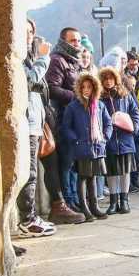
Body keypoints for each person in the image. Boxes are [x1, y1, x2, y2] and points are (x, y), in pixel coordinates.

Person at [58, 72, 113, 222]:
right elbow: (66, 127)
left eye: (89, 87)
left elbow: (108, 123)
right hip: (81, 147)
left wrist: (105, 137)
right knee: (82, 177)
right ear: (79, 89)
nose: (86, 90)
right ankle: (85, 208)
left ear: (95, 88)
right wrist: (75, 140)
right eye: (83, 87)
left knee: (93, 177)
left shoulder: (99, 105)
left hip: (97, 147)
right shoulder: (73, 106)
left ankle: (94, 207)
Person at [19, 20, 56, 236]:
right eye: (24, 31)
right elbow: (30, 80)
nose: (29, 36)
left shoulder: (28, 57)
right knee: (29, 173)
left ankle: (30, 216)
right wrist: (44, 58)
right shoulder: (22, 60)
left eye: (31, 31)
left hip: (34, 122)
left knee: (32, 173)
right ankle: (27, 219)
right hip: (26, 123)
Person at [46, 27, 86, 216]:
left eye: (78, 40)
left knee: (74, 162)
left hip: (75, 117)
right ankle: (67, 201)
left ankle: (76, 199)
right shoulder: (57, 60)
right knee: (66, 162)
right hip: (63, 118)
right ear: (63, 41)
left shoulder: (74, 61)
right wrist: (77, 96)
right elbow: (52, 88)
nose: (77, 44)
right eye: (73, 41)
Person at [99, 66, 139, 214]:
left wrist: (134, 127)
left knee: (125, 172)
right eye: (105, 79)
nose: (108, 81)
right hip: (109, 141)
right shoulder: (100, 98)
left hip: (125, 139)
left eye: (110, 78)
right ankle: (113, 202)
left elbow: (135, 112)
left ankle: (124, 201)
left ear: (115, 79)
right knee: (111, 173)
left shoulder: (125, 95)